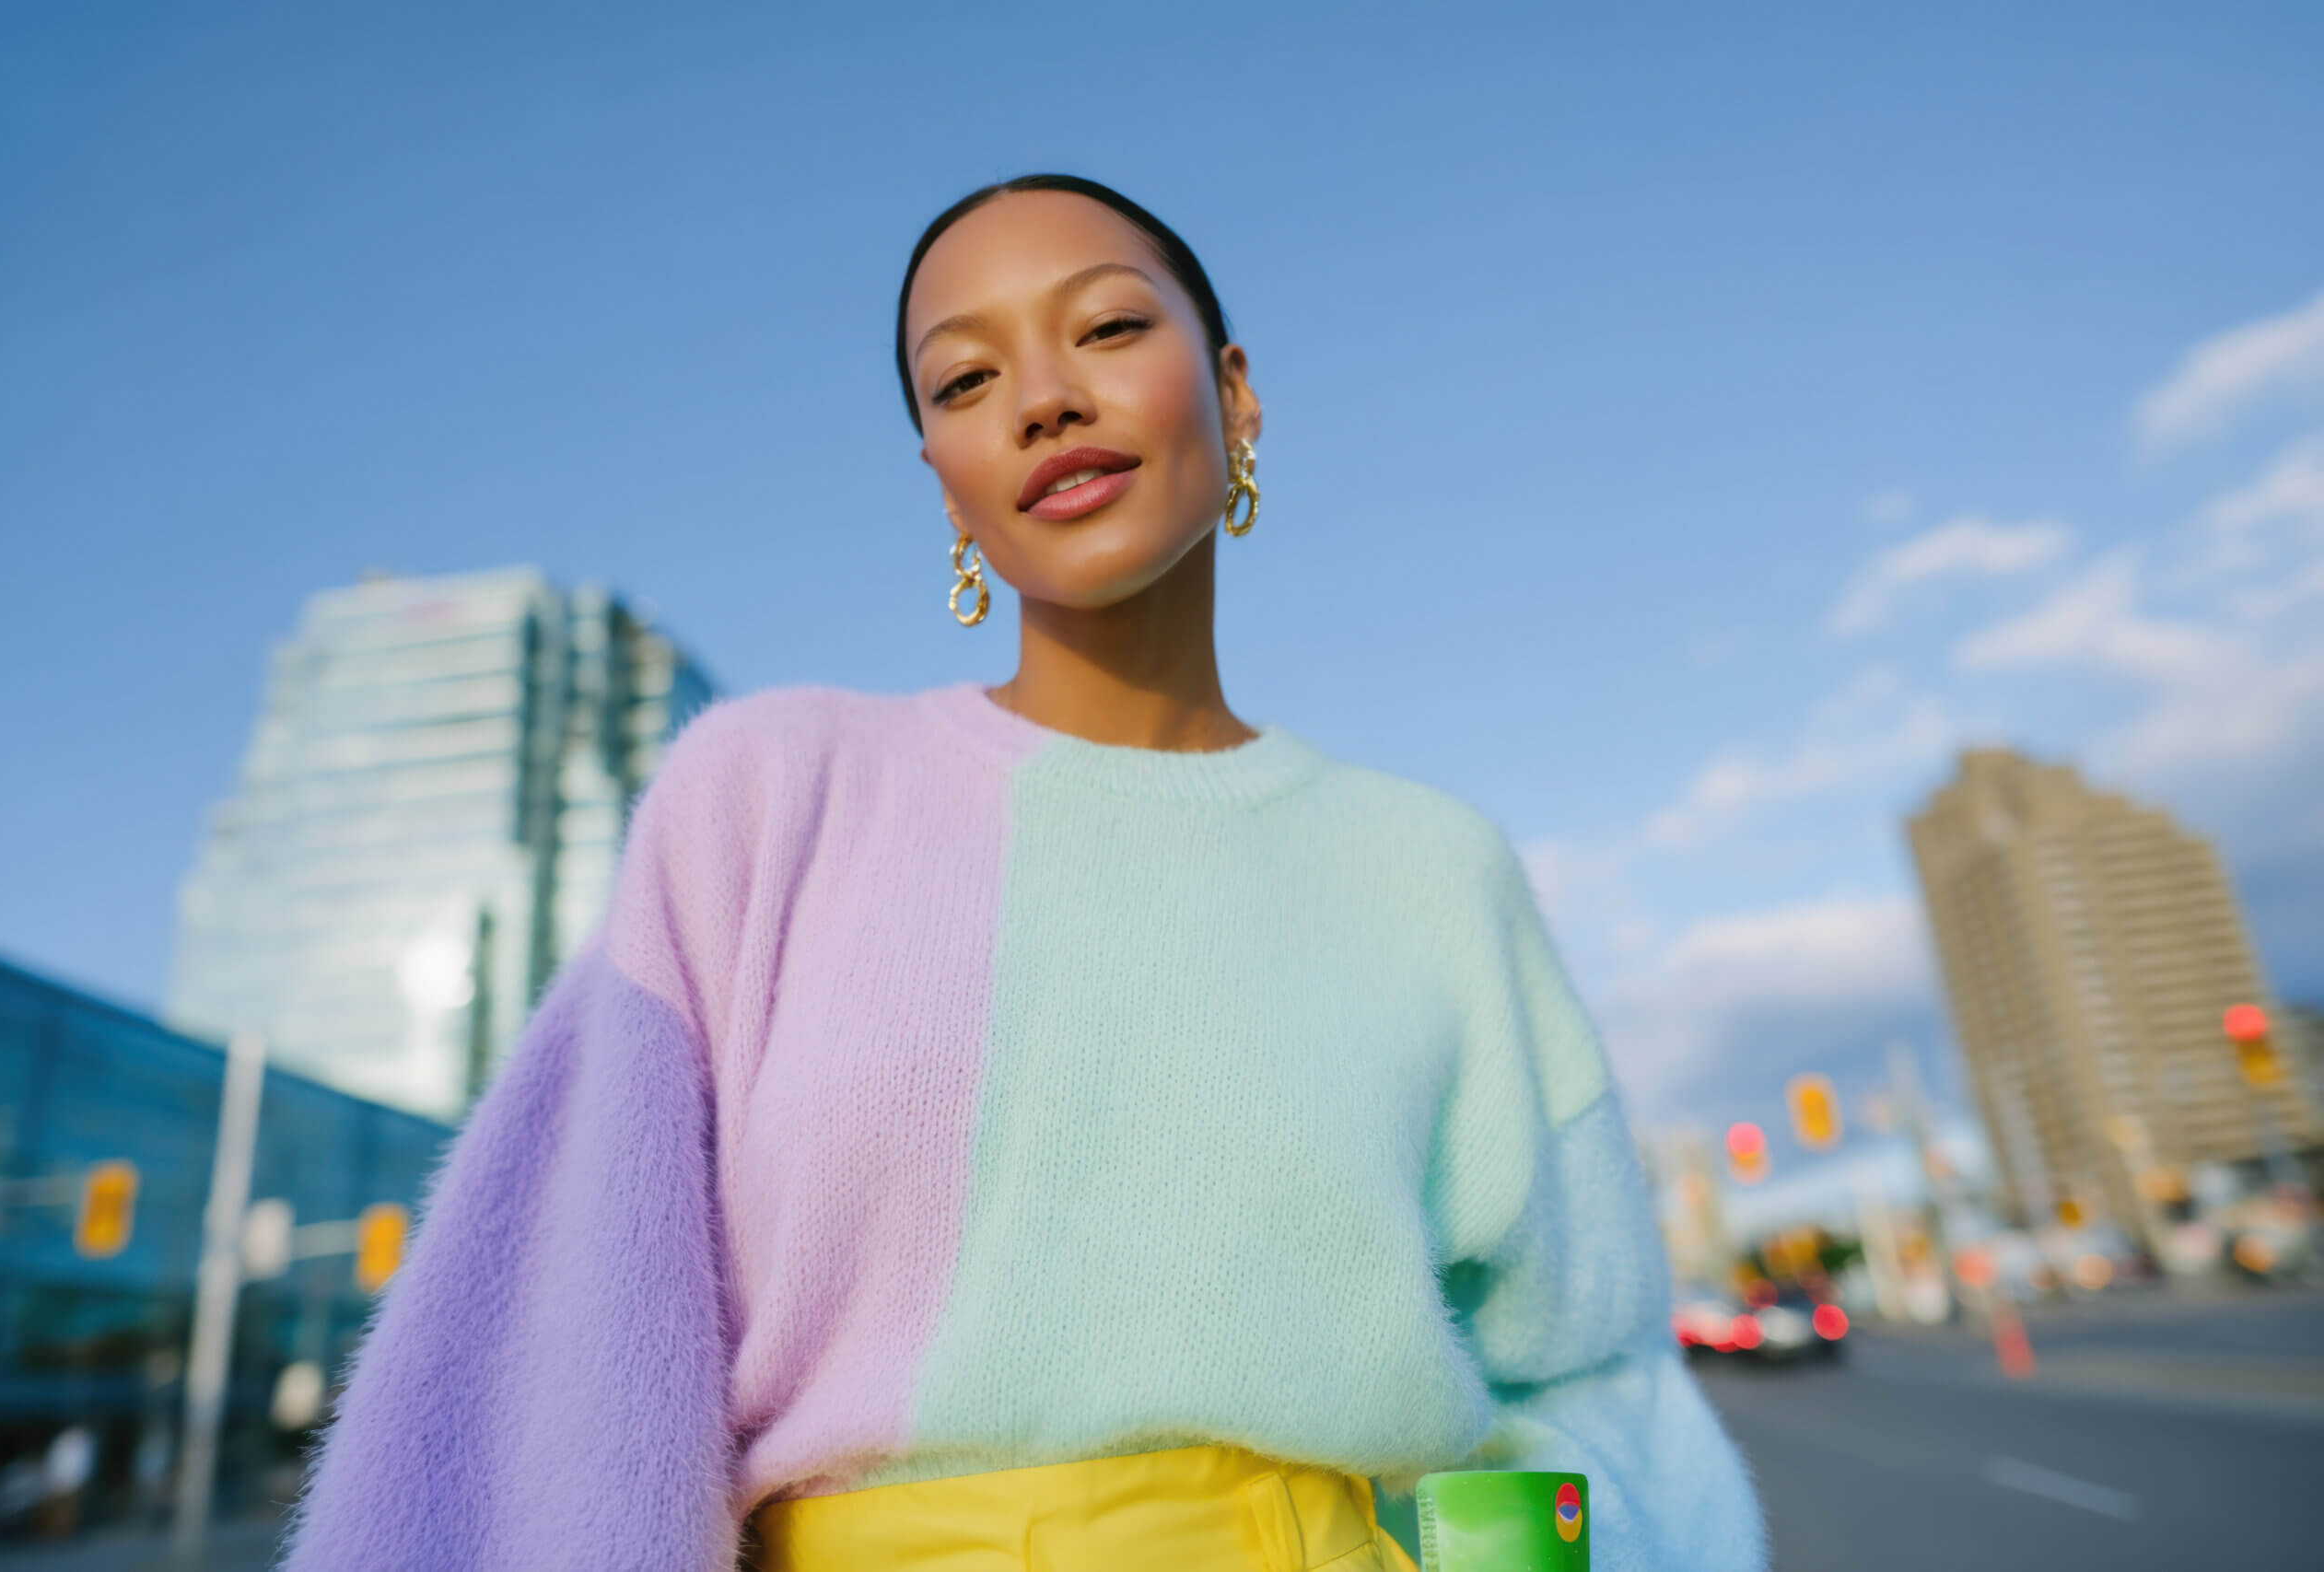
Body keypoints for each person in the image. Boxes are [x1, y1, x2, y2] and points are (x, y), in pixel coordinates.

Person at [279, 174, 1765, 1572]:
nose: (1044, 398)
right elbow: (568, 1365)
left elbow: (1595, 1383)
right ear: (947, 485)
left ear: (1235, 394)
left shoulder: (1433, 869)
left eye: (1107, 327)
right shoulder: (767, 794)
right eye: (966, 380)